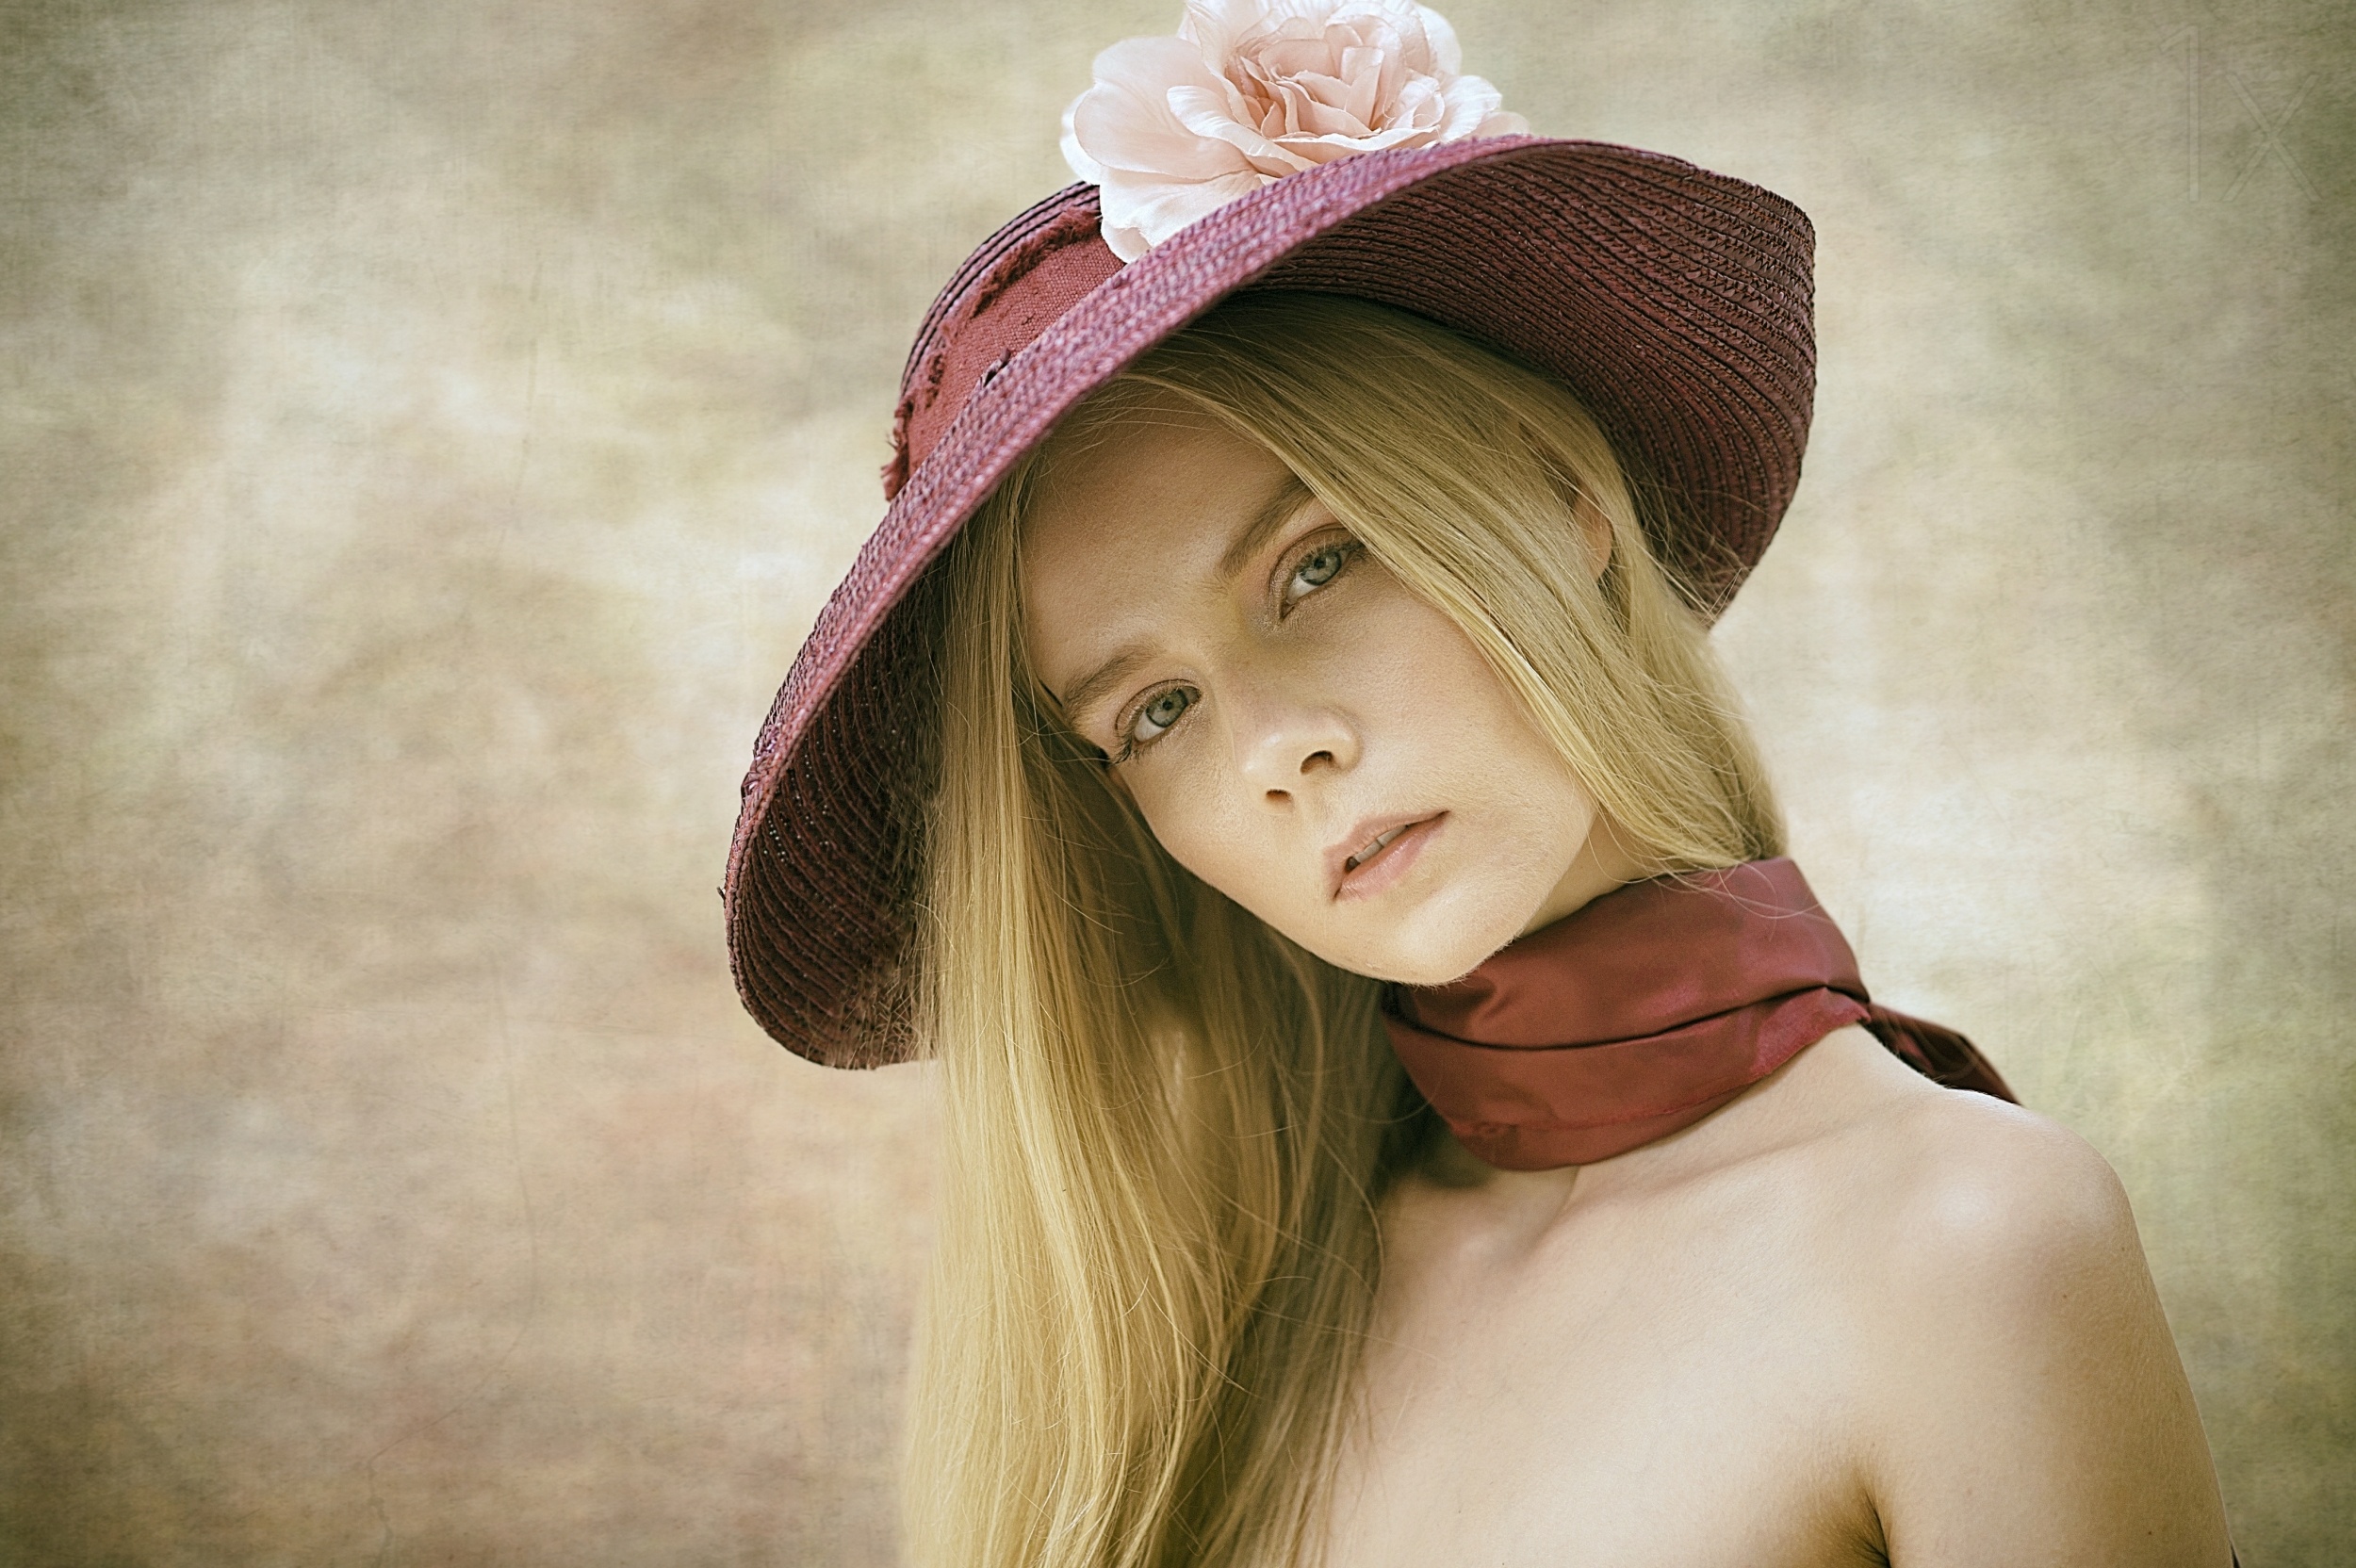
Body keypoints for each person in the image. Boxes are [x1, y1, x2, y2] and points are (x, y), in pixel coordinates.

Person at [724, 4, 2236, 1563]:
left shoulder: (1970, 1245)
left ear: (1559, 494)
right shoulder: (1201, 1338)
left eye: (1316, 565)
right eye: (1156, 710)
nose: (1274, 749)